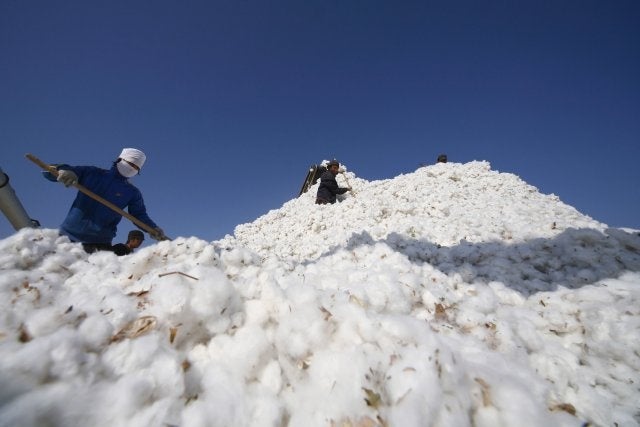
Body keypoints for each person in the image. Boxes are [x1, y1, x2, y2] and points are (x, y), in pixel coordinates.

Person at [44, 148, 165, 253]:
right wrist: (63, 171)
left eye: (136, 168)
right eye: (130, 163)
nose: (132, 168)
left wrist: (152, 228)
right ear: (120, 160)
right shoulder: (92, 173)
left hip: (100, 244)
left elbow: (139, 215)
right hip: (67, 237)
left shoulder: (132, 192)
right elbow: (50, 170)